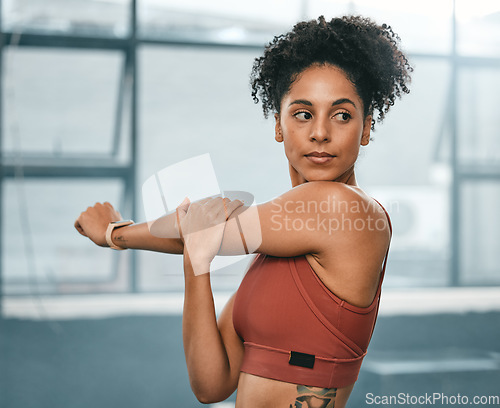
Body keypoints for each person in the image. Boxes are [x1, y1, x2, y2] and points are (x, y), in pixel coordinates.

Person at [75, 15, 412, 408]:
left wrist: (114, 233)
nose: (320, 132)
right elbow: (210, 385)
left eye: (342, 115)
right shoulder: (269, 257)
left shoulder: (343, 207)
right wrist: (195, 268)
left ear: (366, 128)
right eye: (303, 113)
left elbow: (203, 226)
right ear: (279, 125)